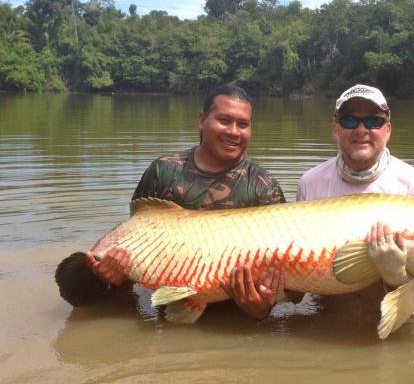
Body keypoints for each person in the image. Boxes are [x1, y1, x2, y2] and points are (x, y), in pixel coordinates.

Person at [56, 85, 286, 320]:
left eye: (243, 124)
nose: (234, 132)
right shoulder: (164, 172)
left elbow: (279, 279)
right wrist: (111, 274)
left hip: (233, 317)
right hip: (169, 304)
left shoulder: (262, 186)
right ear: (202, 120)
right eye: (224, 120)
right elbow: (136, 244)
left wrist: (261, 310)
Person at [296, 83, 414, 321]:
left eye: (373, 121)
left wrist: (395, 274)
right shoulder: (311, 182)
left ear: (388, 129)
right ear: (335, 128)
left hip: (402, 292)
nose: (361, 130)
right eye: (350, 121)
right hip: (329, 297)